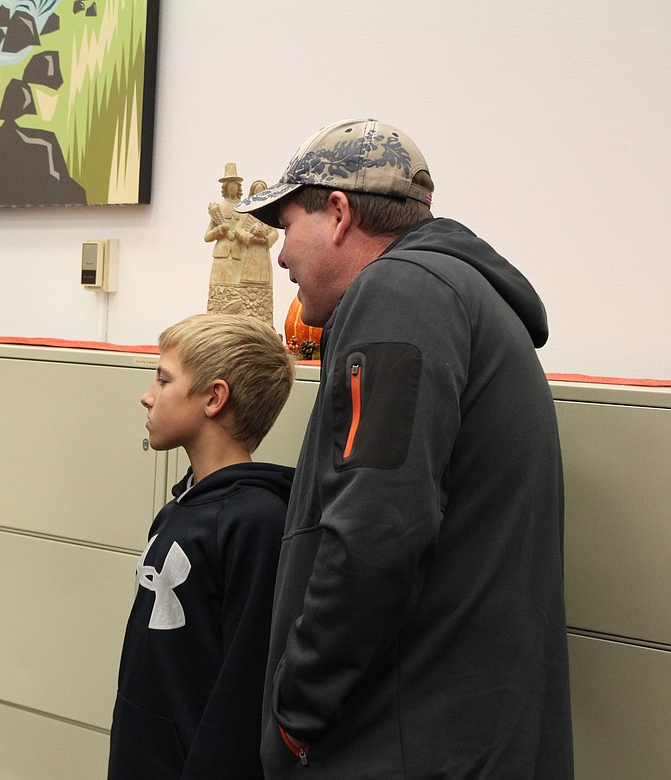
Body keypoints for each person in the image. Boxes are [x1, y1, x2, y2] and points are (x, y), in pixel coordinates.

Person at [235, 119, 574, 778]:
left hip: (405, 743)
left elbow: (376, 531)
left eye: (285, 226)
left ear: (336, 214)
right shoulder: (454, 296)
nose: (279, 256)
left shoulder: (401, 296)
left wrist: (294, 716)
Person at [108, 313, 296, 780]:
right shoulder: (179, 510)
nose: (147, 396)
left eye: (163, 379)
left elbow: (245, 684)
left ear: (214, 398)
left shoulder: (257, 522)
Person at [231, 179, 280, 325]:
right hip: (250, 252)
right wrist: (250, 237)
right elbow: (238, 230)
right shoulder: (248, 212)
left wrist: (266, 240)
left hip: (262, 254)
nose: (259, 194)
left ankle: (263, 319)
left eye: (261, 192)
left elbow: (275, 233)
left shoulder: (267, 213)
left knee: (263, 282)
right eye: (256, 192)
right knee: (248, 282)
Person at [204, 163, 246, 312]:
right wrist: (220, 230)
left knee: (238, 294)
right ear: (225, 187)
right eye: (229, 185)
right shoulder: (219, 208)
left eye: (235, 184)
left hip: (238, 255)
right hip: (221, 256)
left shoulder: (244, 208)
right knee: (219, 295)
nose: (232, 188)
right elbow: (207, 237)